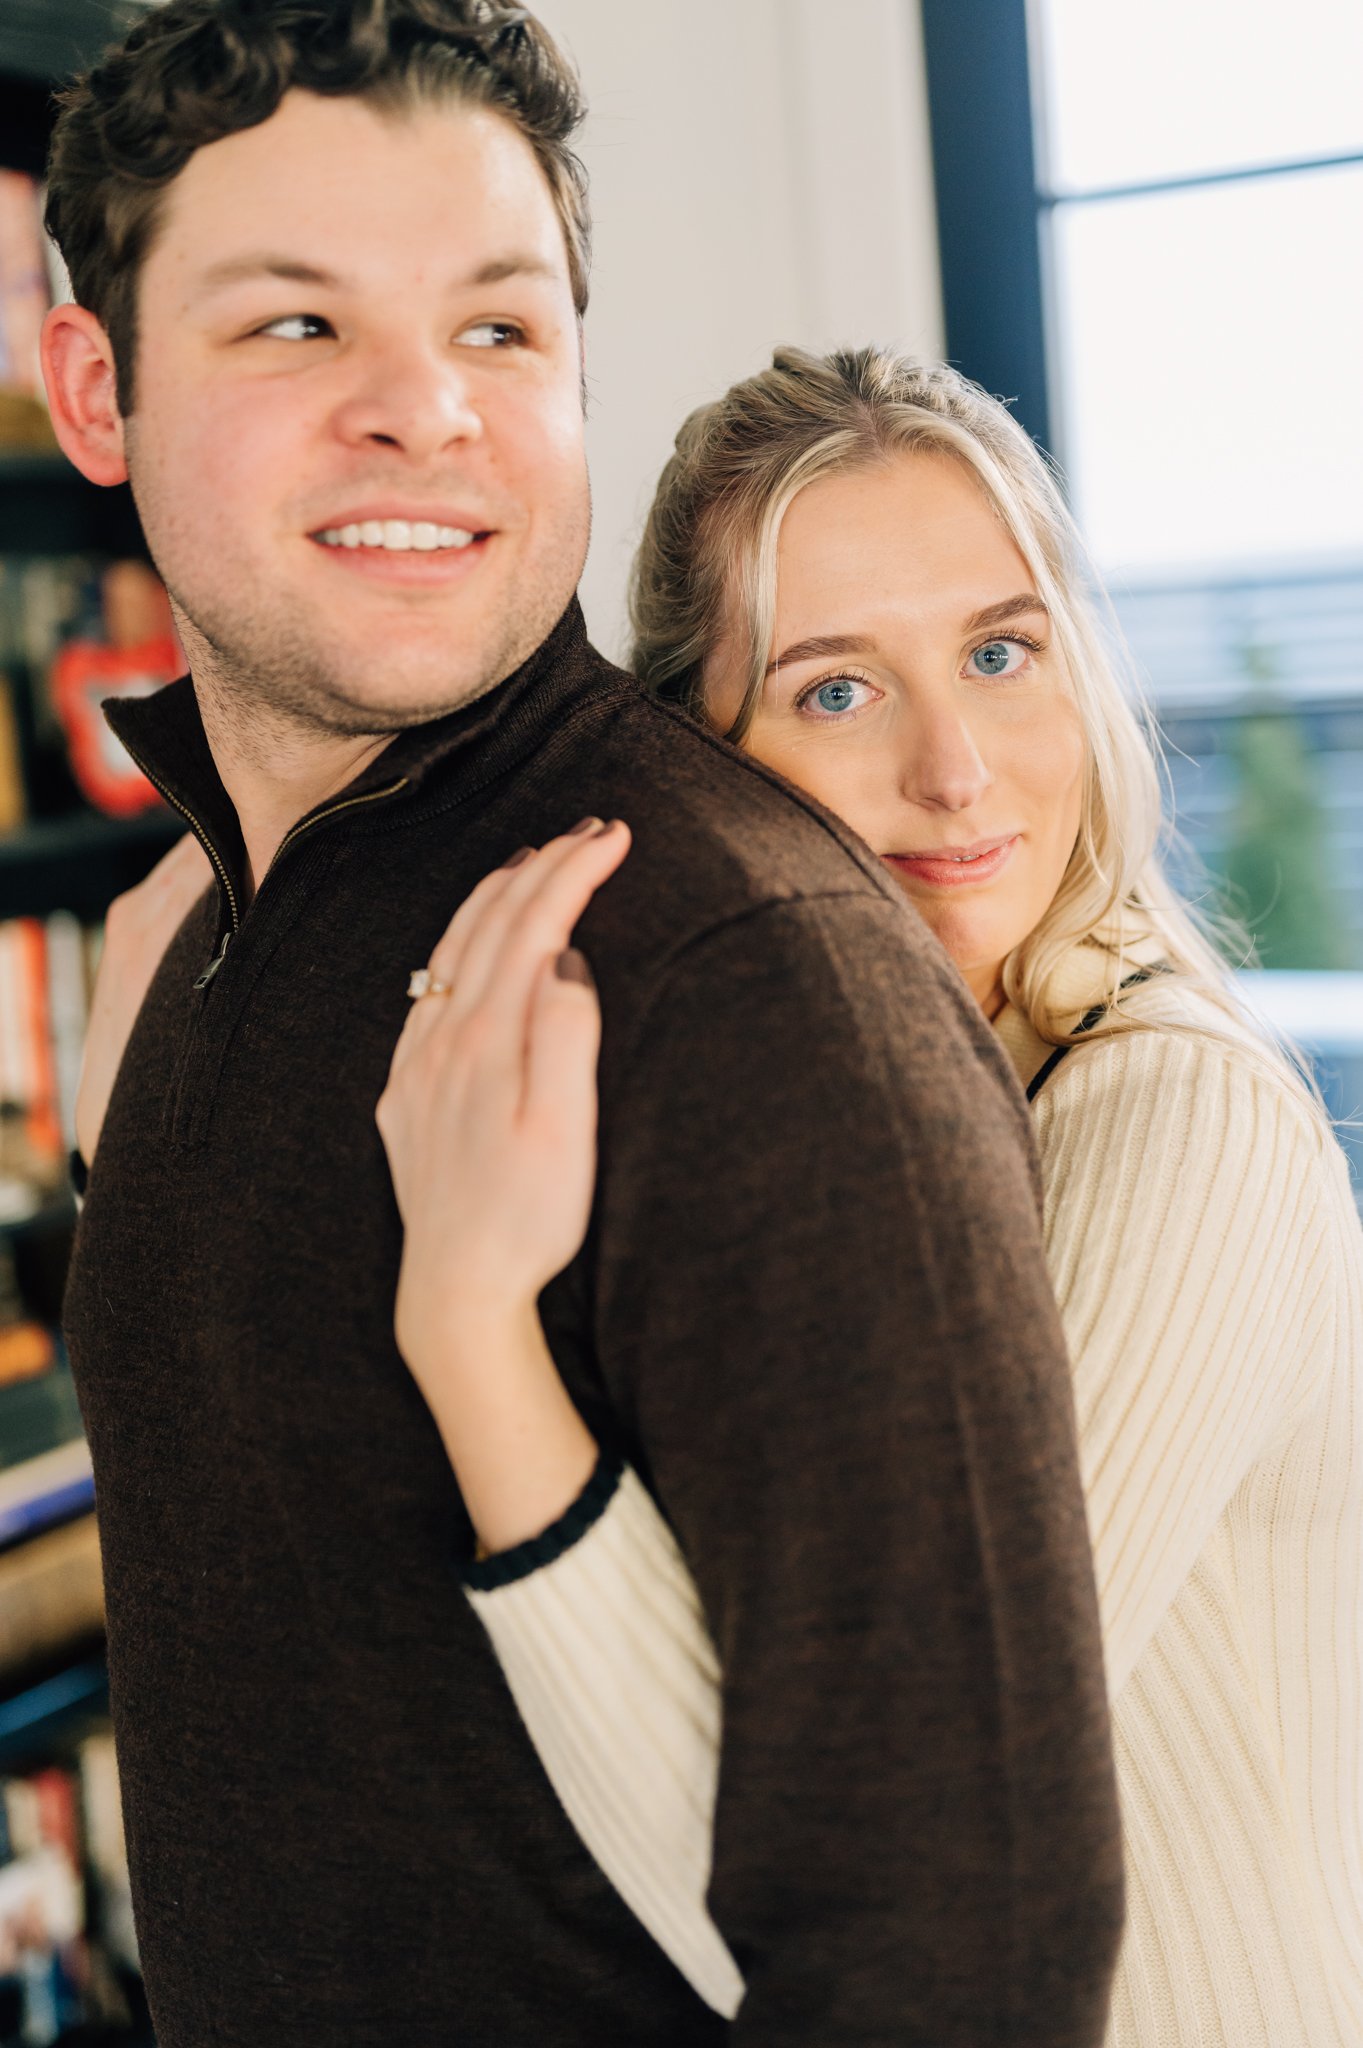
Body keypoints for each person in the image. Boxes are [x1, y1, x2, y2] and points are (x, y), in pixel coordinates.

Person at [42, 4, 1124, 2044]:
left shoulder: (744, 975)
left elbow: (956, 1965)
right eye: (296, 329)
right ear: (96, 389)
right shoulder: (191, 953)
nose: (421, 412)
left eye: (499, 329)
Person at [370, 348, 1363, 2043]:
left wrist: (469, 1328)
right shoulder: (861, 1124)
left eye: (1000, 652)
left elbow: (831, 1887)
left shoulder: (1168, 1114)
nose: (958, 770)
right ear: (703, 759)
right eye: (839, 689)